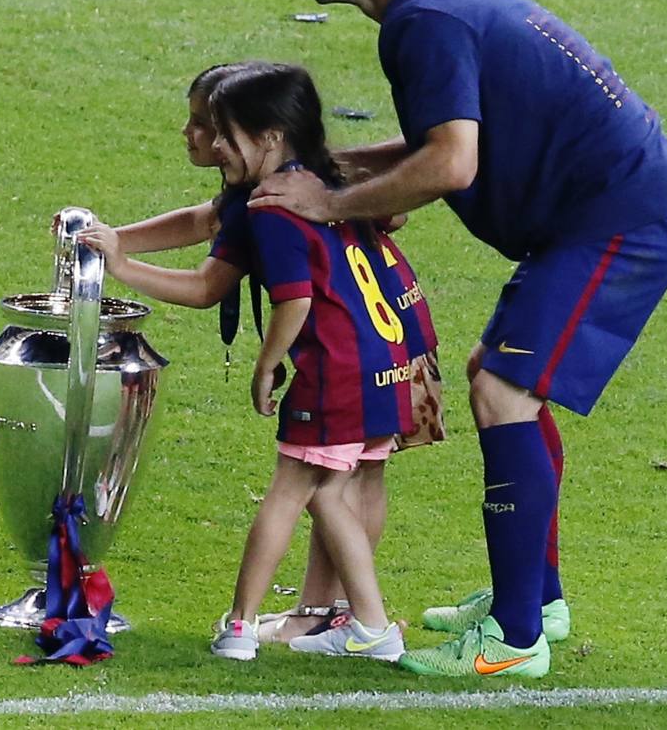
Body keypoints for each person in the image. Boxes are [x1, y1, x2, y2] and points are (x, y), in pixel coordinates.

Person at [251, 0, 667, 678]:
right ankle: (535, 599)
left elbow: (453, 164)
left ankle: (515, 642)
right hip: (607, 206)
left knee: (503, 390)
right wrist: (344, 170)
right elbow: (454, 143)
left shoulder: (422, 23)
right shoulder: (433, 3)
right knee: (496, 378)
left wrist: (334, 205)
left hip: (621, 217)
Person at [82, 61, 435, 663]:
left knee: (302, 487)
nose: (207, 141)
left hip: (339, 364)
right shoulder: (322, 177)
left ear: (269, 135)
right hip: (404, 346)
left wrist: (266, 361)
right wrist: (113, 236)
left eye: (216, 128)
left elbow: (214, 286)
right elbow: (207, 220)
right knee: (360, 478)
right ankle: (332, 616)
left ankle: (253, 626)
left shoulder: (269, 204)